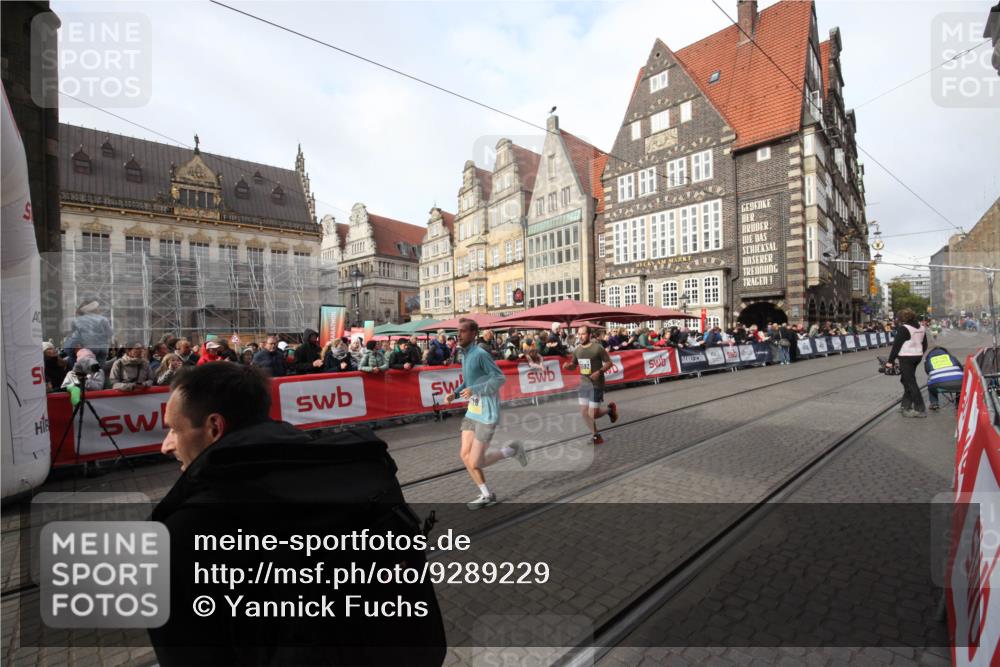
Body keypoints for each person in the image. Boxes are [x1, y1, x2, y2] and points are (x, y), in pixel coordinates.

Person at [151, 363, 446, 666]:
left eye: (174, 429)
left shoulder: (182, 532)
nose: (166, 445)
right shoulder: (359, 469)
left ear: (215, 427)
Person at [442, 318, 526, 510]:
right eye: (458, 331)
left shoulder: (480, 354)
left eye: (463, 331)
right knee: (464, 455)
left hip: (487, 413)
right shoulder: (464, 354)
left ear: (473, 334)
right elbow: (469, 381)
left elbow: (499, 378)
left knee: (475, 460)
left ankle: (512, 450)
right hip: (473, 411)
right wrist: (455, 394)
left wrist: (476, 390)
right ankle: (486, 495)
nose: (459, 334)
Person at [562, 325, 619, 445]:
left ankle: (609, 410)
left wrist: (600, 372)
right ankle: (596, 436)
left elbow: (609, 363)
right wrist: (568, 366)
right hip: (584, 384)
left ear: (589, 335)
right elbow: (574, 365)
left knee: (593, 413)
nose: (580, 336)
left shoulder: (597, 348)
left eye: (583, 334)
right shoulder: (577, 350)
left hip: (597, 384)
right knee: (584, 412)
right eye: (579, 334)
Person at [886, 308, 928, 417]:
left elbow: (896, 346)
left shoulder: (904, 328)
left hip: (906, 357)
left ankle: (920, 408)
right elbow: (925, 344)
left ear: (902, 318)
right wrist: (920, 353)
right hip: (916, 357)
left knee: (910, 382)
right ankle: (905, 405)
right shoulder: (921, 328)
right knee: (905, 380)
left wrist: (890, 361)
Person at [63, 299, 113, 366]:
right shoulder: (102, 319)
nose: (99, 309)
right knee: (97, 369)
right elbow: (109, 333)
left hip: (80, 350)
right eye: (97, 307)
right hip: (97, 349)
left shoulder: (76, 320)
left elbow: (73, 335)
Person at [924, 345, 964, 411]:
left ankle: (934, 403)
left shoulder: (928, 360)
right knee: (959, 380)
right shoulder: (951, 357)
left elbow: (928, 372)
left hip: (939, 384)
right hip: (959, 383)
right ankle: (959, 403)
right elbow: (961, 369)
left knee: (930, 383)